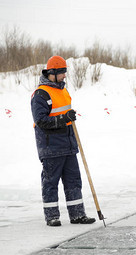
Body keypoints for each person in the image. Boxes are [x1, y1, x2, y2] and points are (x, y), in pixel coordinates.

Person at [31, 55, 95, 226]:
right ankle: (52, 216)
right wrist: (63, 118)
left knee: (74, 180)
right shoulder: (41, 94)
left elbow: (65, 114)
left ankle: (77, 215)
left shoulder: (63, 90)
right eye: (62, 72)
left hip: (68, 144)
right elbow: (41, 121)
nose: (65, 76)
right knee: (50, 182)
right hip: (51, 146)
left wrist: (68, 117)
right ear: (53, 73)